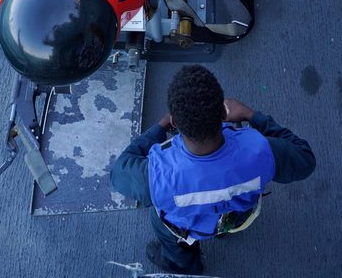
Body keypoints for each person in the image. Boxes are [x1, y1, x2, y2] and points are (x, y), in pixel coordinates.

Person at [111, 64, 316, 276]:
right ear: (223, 112)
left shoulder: (155, 175)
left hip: (186, 225)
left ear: (176, 123)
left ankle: (184, 266)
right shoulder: (261, 150)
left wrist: (160, 127)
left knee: (161, 223)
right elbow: (305, 160)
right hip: (236, 215)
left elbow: (118, 173)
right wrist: (251, 115)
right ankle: (223, 231)